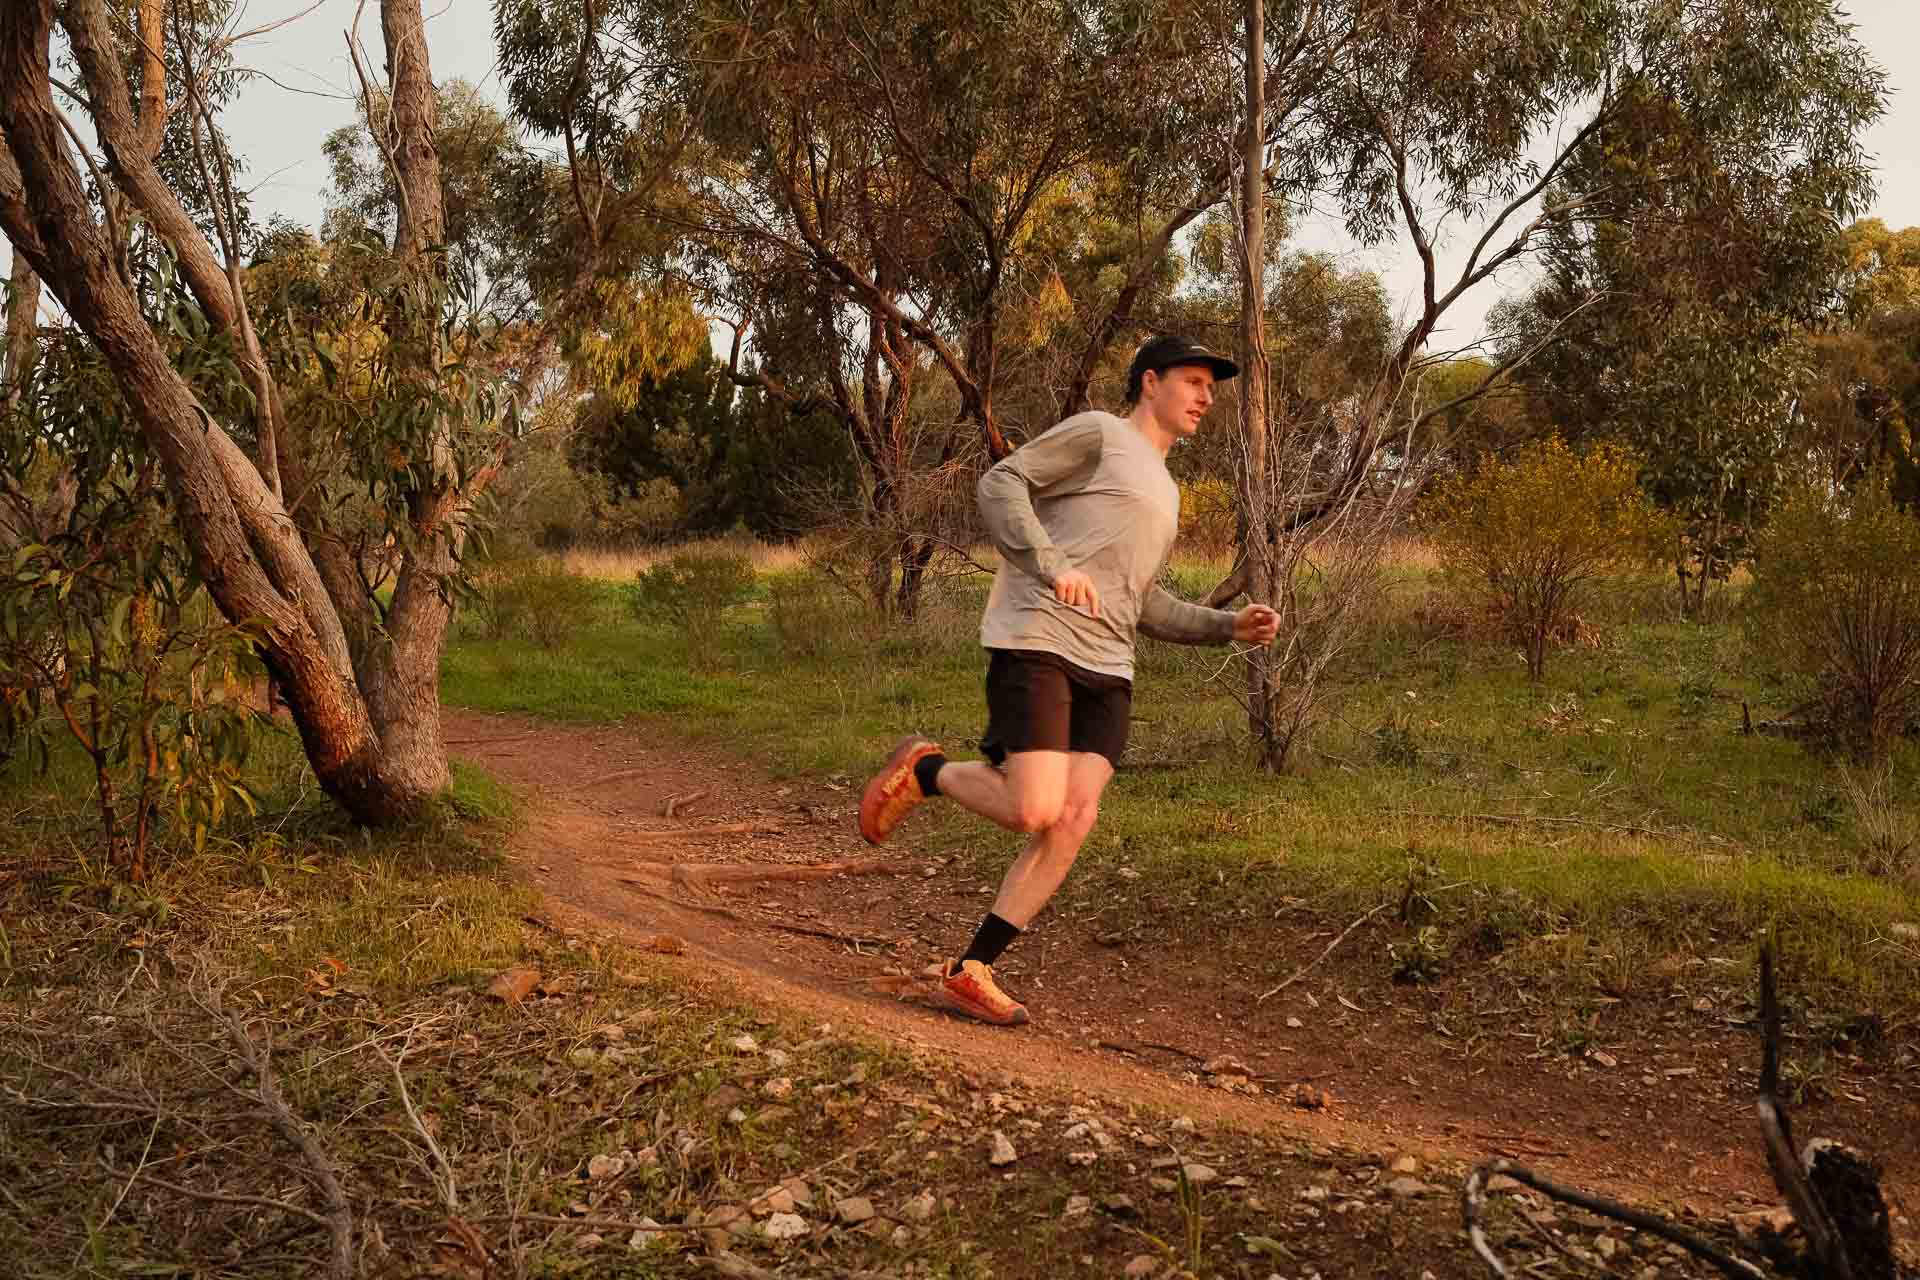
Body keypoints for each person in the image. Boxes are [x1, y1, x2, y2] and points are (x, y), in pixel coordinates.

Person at [857, 334, 1281, 1026]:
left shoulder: (1167, 493)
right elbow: (1000, 483)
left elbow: (1139, 600)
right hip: (1040, 638)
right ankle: (927, 770)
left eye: (1212, 387)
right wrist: (1051, 563)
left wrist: (1225, 627)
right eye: (1194, 381)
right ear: (1150, 382)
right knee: (1032, 808)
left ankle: (973, 968)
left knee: (1073, 817)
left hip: (1110, 667)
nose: (1207, 397)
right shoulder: (1099, 435)